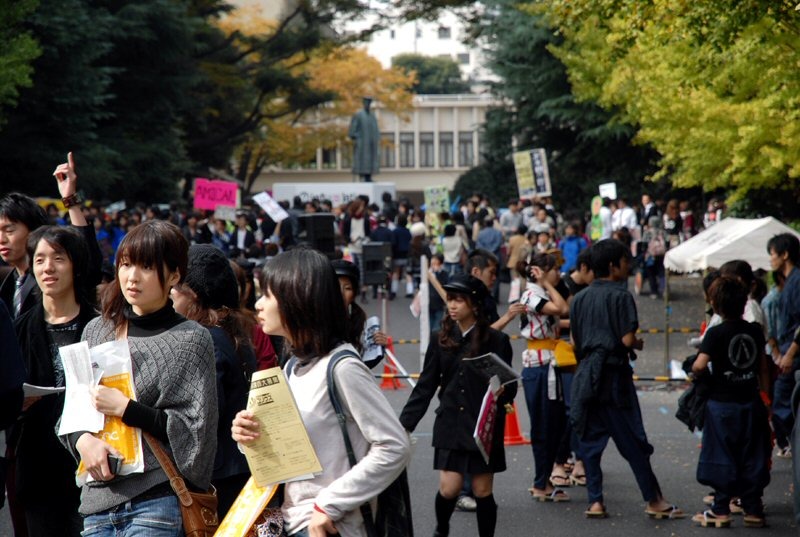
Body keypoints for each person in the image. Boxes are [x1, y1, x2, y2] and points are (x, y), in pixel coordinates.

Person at [232, 248, 410, 537]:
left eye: (267, 295)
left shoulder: (342, 368)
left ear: (296, 298)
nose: (258, 305)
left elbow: (394, 445)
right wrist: (248, 436)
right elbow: (289, 449)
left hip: (329, 526)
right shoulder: (292, 366)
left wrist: (329, 505)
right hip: (293, 520)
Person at [58, 220, 218, 536]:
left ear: (174, 275)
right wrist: (83, 440)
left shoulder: (191, 340)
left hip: (156, 501)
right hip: (97, 503)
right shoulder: (97, 330)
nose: (132, 277)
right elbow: (71, 414)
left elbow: (198, 433)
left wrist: (128, 409)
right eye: (126, 264)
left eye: (146, 266)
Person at [570, 239, 683, 519]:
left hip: (585, 375)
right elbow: (626, 338)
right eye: (624, 260)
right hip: (613, 375)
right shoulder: (621, 296)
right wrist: (637, 344)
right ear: (613, 265)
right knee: (632, 439)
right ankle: (654, 500)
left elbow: (576, 341)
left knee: (591, 439)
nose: (628, 265)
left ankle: (595, 501)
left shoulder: (580, 298)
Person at [399, 275, 516, 537]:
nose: (452, 305)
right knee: (448, 489)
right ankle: (442, 530)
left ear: (474, 305)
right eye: (450, 299)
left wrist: (502, 391)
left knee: (482, 491)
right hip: (450, 422)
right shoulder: (440, 337)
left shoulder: (496, 340)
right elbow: (425, 386)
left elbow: (511, 389)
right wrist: (402, 426)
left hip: (482, 425)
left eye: (459, 300)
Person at [170, 244, 257, 519]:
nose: (169, 297)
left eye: (174, 290)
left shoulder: (206, 339)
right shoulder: (232, 332)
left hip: (220, 472)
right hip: (240, 464)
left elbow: (206, 412)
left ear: (193, 295)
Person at [690, 276, 770, 528]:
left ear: (715, 304)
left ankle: (721, 509)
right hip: (752, 401)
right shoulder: (754, 332)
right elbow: (763, 368)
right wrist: (765, 396)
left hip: (722, 404)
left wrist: (698, 372)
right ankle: (753, 508)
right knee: (752, 455)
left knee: (722, 455)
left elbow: (700, 365)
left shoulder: (715, 333)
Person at [518, 253, 570, 502]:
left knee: (554, 423)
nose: (558, 273)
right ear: (541, 271)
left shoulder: (541, 293)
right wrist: (548, 284)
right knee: (543, 425)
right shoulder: (532, 295)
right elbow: (562, 309)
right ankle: (541, 482)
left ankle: (544, 480)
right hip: (539, 365)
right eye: (555, 270)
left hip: (549, 362)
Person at [771, 233, 800, 458]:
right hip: (787, 350)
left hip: (794, 352)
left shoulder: (797, 281)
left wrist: (789, 353)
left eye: (773, 254)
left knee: (782, 404)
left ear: (785, 254)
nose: (771, 259)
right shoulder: (789, 282)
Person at [331, 259, 389, 369]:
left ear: (353, 294)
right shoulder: (315, 319)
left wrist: (378, 349)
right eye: (336, 286)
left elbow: (360, 366)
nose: (341, 293)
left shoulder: (359, 320)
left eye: (347, 288)